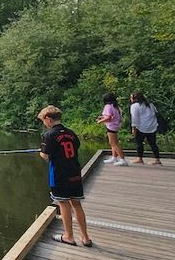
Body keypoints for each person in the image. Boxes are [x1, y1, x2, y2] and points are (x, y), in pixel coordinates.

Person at [38, 105, 92, 247]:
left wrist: (41, 151)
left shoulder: (48, 135)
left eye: (43, 121)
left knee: (63, 203)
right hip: (74, 172)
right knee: (76, 203)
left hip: (59, 175)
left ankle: (68, 236)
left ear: (48, 119)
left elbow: (45, 156)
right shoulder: (71, 133)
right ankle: (85, 237)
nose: (44, 124)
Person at [129, 91, 162, 165]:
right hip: (152, 126)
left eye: (131, 97)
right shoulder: (150, 104)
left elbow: (135, 118)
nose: (130, 99)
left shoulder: (135, 106)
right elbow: (155, 114)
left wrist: (133, 128)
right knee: (153, 143)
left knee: (139, 143)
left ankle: (139, 158)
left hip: (141, 127)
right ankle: (157, 160)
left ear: (135, 98)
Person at [96, 93, 128, 165]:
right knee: (114, 142)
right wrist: (102, 117)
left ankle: (122, 159)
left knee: (114, 143)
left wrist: (100, 121)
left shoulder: (107, 106)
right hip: (116, 125)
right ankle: (114, 157)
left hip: (111, 126)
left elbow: (108, 117)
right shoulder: (116, 106)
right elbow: (113, 116)